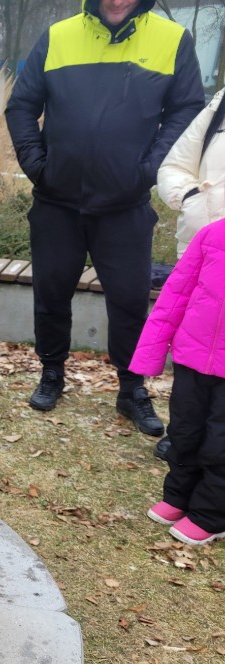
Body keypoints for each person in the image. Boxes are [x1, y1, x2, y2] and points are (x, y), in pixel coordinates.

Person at [5, 0, 203, 435]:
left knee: (130, 301)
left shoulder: (173, 40)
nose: (116, 1)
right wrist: (38, 165)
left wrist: (148, 169)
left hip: (125, 205)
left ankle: (132, 388)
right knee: (51, 293)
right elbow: (21, 106)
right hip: (56, 202)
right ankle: (52, 372)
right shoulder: (58, 36)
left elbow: (187, 111)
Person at [128, 218, 225, 545]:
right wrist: (150, 353)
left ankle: (211, 515)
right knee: (184, 431)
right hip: (192, 358)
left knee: (220, 444)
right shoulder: (212, 234)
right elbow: (176, 294)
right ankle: (179, 496)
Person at [152, 88, 225, 460]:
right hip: (202, 252)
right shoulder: (221, 103)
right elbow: (174, 166)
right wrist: (192, 198)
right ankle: (185, 434)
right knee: (194, 350)